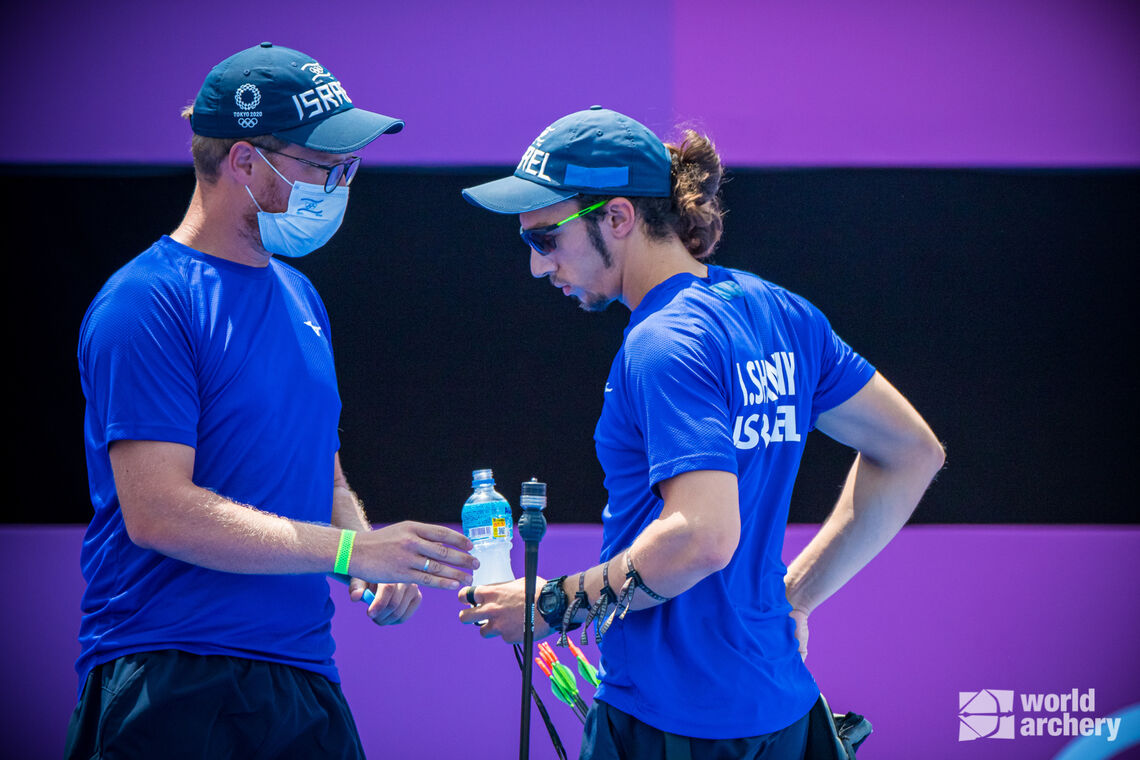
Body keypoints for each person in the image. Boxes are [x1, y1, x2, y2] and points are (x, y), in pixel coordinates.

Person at [457, 106, 945, 759]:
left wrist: (552, 605)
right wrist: (795, 599)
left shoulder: (662, 341)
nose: (539, 267)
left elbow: (702, 538)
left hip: (672, 723)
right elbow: (914, 452)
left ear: (618, 217)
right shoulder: (780, 311)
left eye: (544, 239)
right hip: (786, 713)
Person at [66, 42, 477, 759]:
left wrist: (362, 563)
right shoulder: (146, 302)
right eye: (322, 165)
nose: (341, 182)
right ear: (245, 163)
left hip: (300, 677)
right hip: (171, 675)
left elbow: (322, 468)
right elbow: (158, 512)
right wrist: (352, 546)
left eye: (346, 166)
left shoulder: (301, 295)